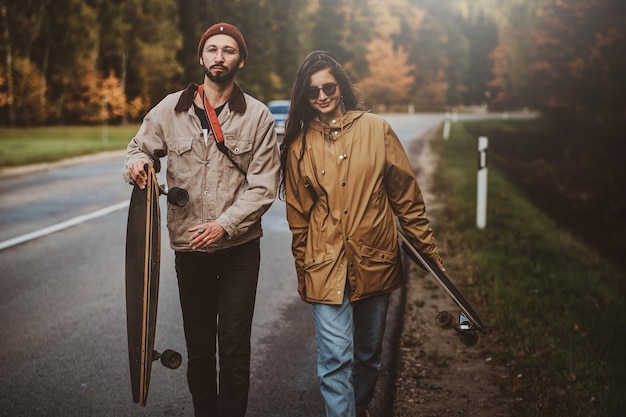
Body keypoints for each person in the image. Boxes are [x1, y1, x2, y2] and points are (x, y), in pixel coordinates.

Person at [124, 22, 280, 417]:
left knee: (233, 347)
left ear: (240, 60)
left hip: (238, 250)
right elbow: (138, 147)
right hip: (189, 249)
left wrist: (223, 225)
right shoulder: (170, 109)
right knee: (198, 350)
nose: (219, 56)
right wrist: (139, 164)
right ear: (201, 57)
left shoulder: (257, 116)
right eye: (212, 49)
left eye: (229, 50)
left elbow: (263, 187)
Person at [279, 51, 445, 417]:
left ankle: (363, 405)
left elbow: (406, 196)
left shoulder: (377, 129)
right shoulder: (297, 146)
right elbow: (298, 217)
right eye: (313, 92)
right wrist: (302, 269)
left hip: (376, 257)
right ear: (304, 98)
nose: (322, 96)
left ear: (341, 86)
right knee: (335, 357)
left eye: (328, 87)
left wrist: (427, 249)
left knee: (369, 354)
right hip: (325, 263)